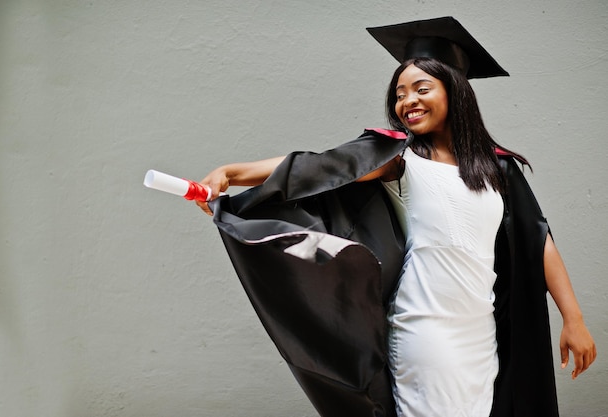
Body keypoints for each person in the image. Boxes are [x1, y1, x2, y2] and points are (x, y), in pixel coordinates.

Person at [196, 17, 596, 417]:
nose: (408, 102)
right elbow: (317, 166)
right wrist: (232, 173)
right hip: (424, 330)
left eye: (422, 89)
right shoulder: (398, 158)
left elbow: (539, 241)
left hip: (480, 334)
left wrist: (573, 319)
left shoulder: (498, 169)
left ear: (455, 93)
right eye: (400, 94)